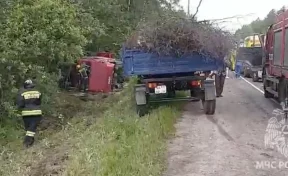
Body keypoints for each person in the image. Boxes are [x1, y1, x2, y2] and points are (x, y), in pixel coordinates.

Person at [17, 79, 42, 148]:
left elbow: (20, 104)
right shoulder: (37, 92)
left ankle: (29, 142)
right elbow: (39, 102)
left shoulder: (22, 93)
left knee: (28, 128)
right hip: (36, 113)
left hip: (26, 114)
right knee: (32, 128)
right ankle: (28, 142)